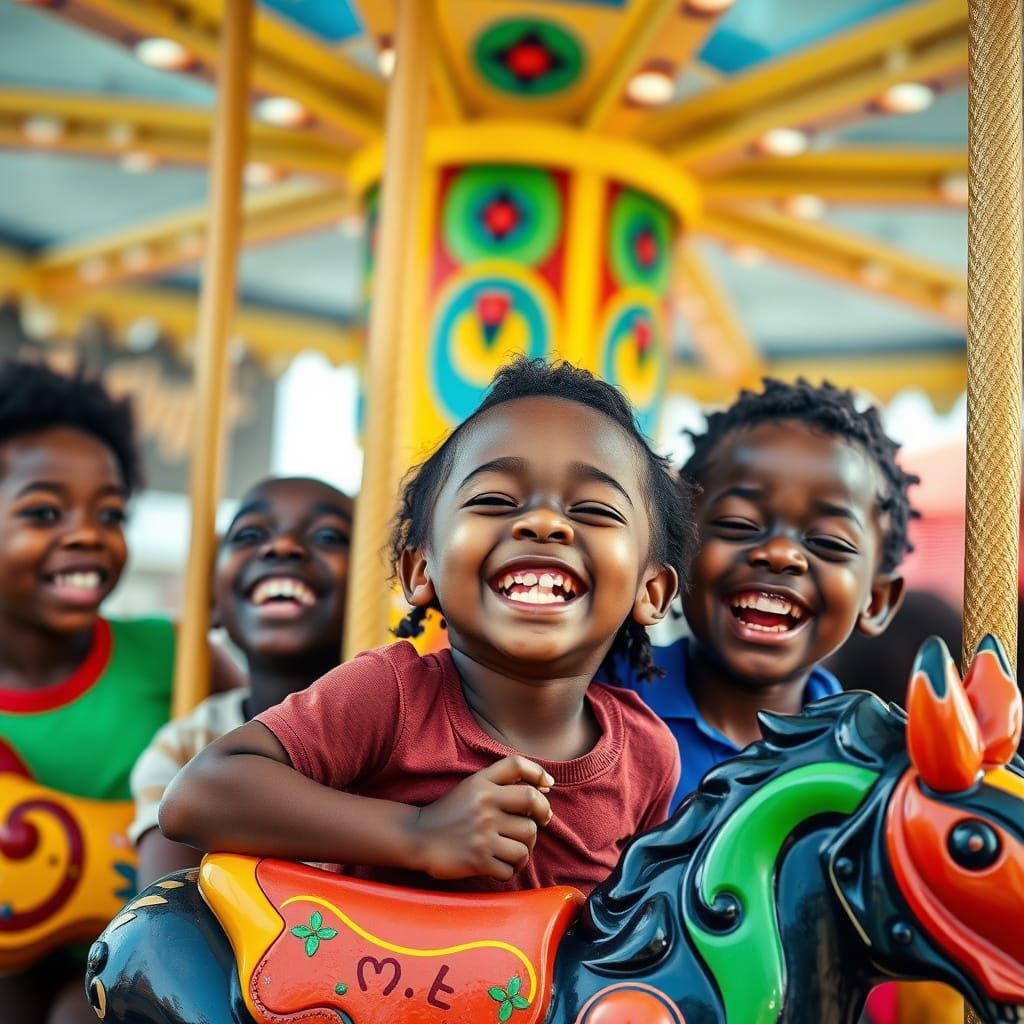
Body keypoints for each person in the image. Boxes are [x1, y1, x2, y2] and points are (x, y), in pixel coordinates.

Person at [160, 357, 695, 896]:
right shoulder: (391, 696)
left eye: (595, 509)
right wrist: (417, 833)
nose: (543, 522)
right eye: (494, 500)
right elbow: (197, 797)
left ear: (651, 592)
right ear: (421, 571)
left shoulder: (647, 754)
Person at [0, 360, 240, 1024]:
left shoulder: (176, 655)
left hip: (149, 958)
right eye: (45, 511)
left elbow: (275, 738)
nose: (87, 533)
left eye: (110, 513)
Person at [621, 378, 917, 809]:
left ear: (876, 601)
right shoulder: (601, 696)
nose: (780, 554)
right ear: (676, 546)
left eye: (829, 542)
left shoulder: (874, 768)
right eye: (738, 524)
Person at [129, 476, 354, 887]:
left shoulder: (405, 738)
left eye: (328, 536)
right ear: (212, 602)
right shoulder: (188, 745)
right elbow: (161, 920)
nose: (282, 547)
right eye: (250, 534)